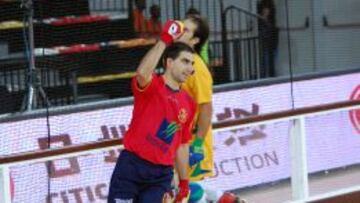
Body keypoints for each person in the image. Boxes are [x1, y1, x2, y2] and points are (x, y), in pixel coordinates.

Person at [108, 20, 196, 203]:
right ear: (169, 62)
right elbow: (141, 73)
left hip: (161, 176)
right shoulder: (153, 85)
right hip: (131, 167)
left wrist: (184, 182)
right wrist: (165, 39)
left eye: (192, 63)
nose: (191, 69)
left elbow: (182, 145)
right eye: (185, 62)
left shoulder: (189, 102)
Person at [177, 14, 214, 182]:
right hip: (177, 144)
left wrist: (197, 146)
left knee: (193, 195)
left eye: (185, 30)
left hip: (192, 146)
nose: (179, 32)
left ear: (195, 40)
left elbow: (206, 109)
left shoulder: (197, 68)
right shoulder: (175, 62)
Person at [257, 0, 279, 78]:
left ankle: (269, 76)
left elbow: (265, 18)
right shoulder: (266, 5)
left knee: (269, 58)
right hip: (268, 35)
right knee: (268, 58)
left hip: (270, 35)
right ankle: (269, 77)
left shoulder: (268, 5)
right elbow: (264, 18)